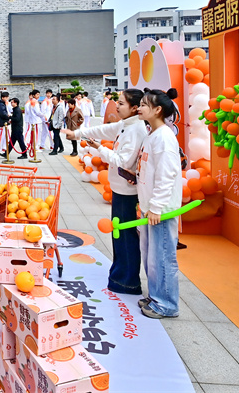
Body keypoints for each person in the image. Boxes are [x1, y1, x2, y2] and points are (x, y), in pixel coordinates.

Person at [63, 89, 148, 296]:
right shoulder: (125, 125)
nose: (116, 106)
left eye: (121, 103)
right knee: (119, 236)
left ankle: (128, 282)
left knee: (126, 237)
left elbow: (123, 161)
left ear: (134, 108)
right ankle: (120, 276)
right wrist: (77, 134)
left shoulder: (136, 130)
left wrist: (100, 149)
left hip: (128, 193)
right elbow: (103, 130)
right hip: (120, 190)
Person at [135, 88, 183, 319]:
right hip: (149, 208)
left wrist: (156, 206)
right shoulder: (152, 134)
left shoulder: (164, 137)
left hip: (160, 211)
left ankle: (166, 304)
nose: (140, 107)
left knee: (162, 257)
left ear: (157, 110)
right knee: (151, 257)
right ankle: (156, 296)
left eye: (145, 104)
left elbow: (167, 175)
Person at [24, 90, 44, 154]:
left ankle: (33, 146)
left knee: (34, 134)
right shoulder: (35, 102)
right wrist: (43, 115)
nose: (38, 96)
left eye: (39, 94)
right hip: (36, 120)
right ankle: (36, 147)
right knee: (37, 135)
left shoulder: (31, 102)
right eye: (37, 94)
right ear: (33, 95)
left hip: (33, 120)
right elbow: (37, 112)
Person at [0, 91, 10, 156]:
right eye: (6, 97)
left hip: (4, 122)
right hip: (2, 122)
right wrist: (8, 116)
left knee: (4, 136)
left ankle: (3, 147)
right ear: (3, 97)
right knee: (1, 136)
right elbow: (3, 114)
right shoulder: (0, 104)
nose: (8, 98)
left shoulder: (2, 104)